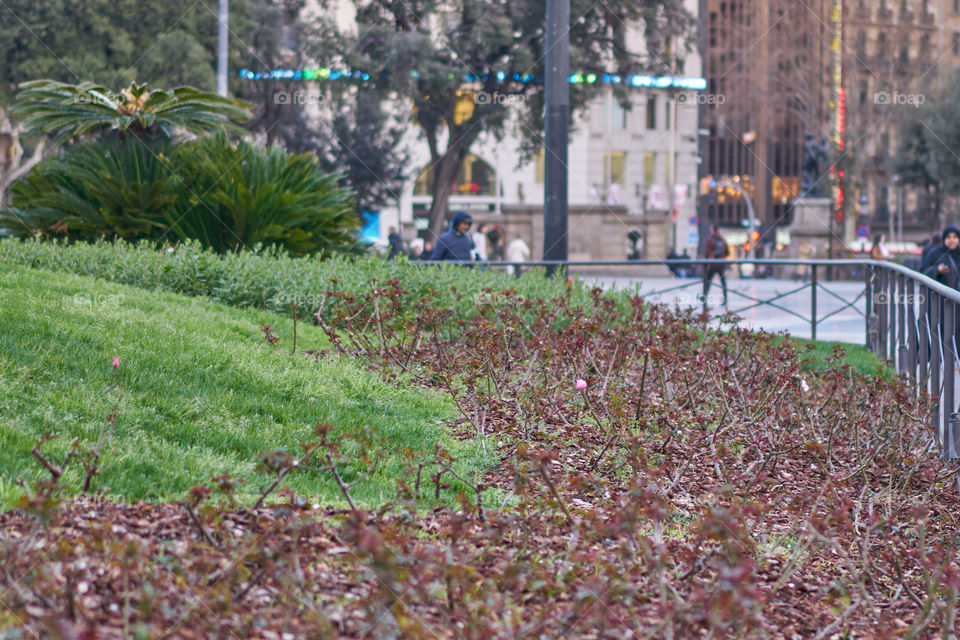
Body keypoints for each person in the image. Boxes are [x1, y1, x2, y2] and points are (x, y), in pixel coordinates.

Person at [702, 225, 729, 307]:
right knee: (723, 283)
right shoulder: (722, 240)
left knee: (707, 282)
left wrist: (706, 263)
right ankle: (725, 300)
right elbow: (727, 252)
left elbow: (707, 252)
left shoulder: (710, 240)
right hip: (721, 264)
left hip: (713, 264)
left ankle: (704, 299)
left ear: (712, 230)